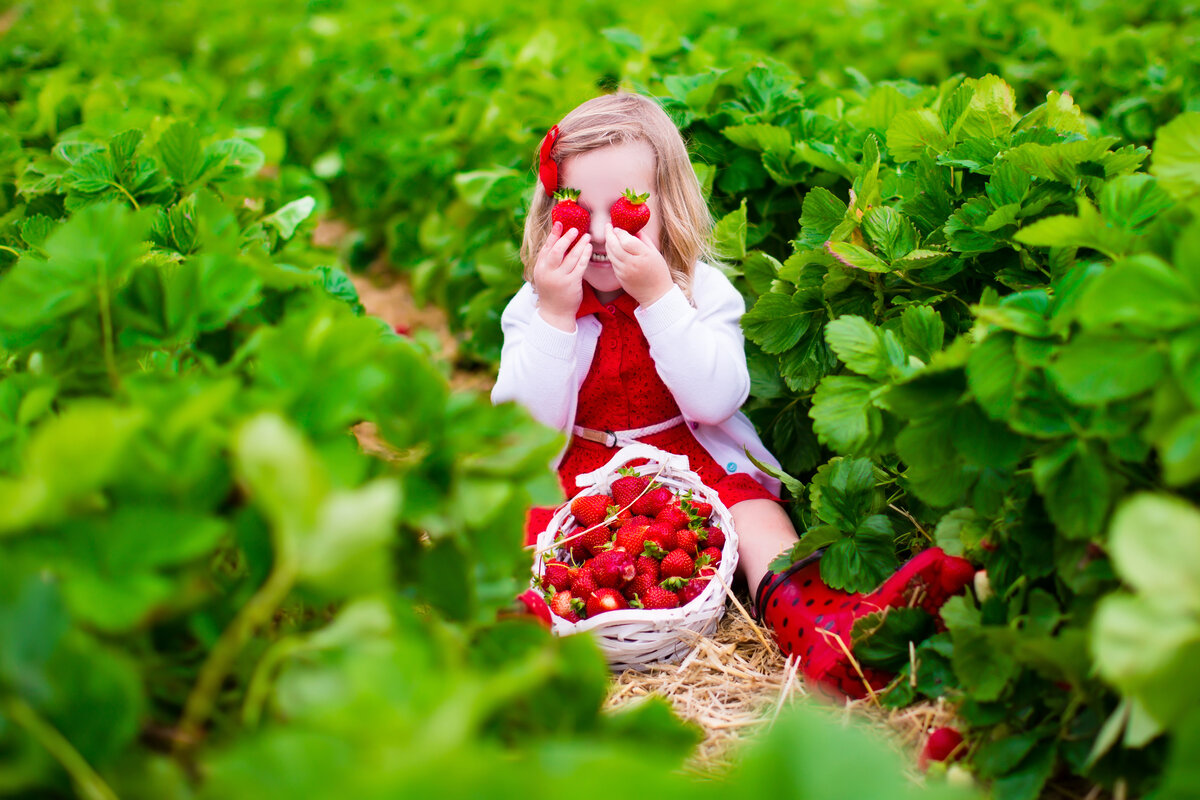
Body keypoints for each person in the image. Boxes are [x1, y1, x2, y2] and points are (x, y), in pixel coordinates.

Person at [493, 92, 973, 699]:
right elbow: (521, 429)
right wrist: (556, 317)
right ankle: (519, 627)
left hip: (688, 457)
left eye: (629, 207)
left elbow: (716, 400)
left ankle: (826, 631)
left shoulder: (699, 289)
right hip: (583, 471)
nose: (599, 233)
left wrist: (660, 300)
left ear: (670, 206)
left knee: (758, 514)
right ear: (548, 212)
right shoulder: (535, 306)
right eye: (574, 209)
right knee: (527, 525)